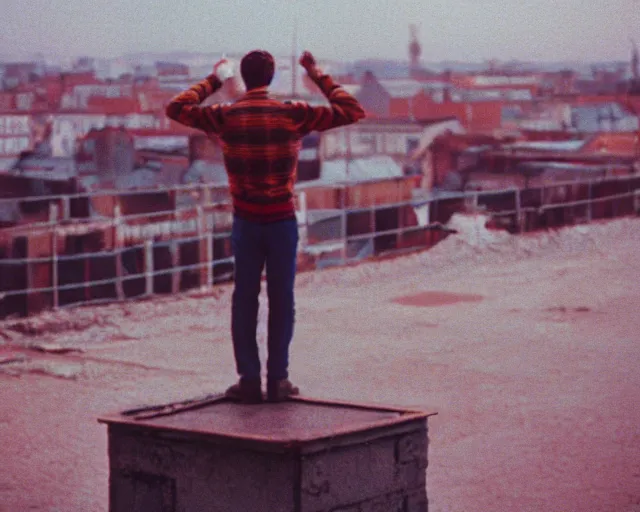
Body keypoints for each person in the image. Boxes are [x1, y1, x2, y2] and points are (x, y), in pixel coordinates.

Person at [166, 50, 365, 403]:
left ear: (243, 75)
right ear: (271, 78)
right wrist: (316, 73)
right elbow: (352, 110)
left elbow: (176, 108)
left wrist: (216, 78)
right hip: (281, 221)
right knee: (282, 299)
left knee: (244, 299)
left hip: (246, 222)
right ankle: (278, 379)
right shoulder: (290, 114)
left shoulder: (228, 116)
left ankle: (248, 380)